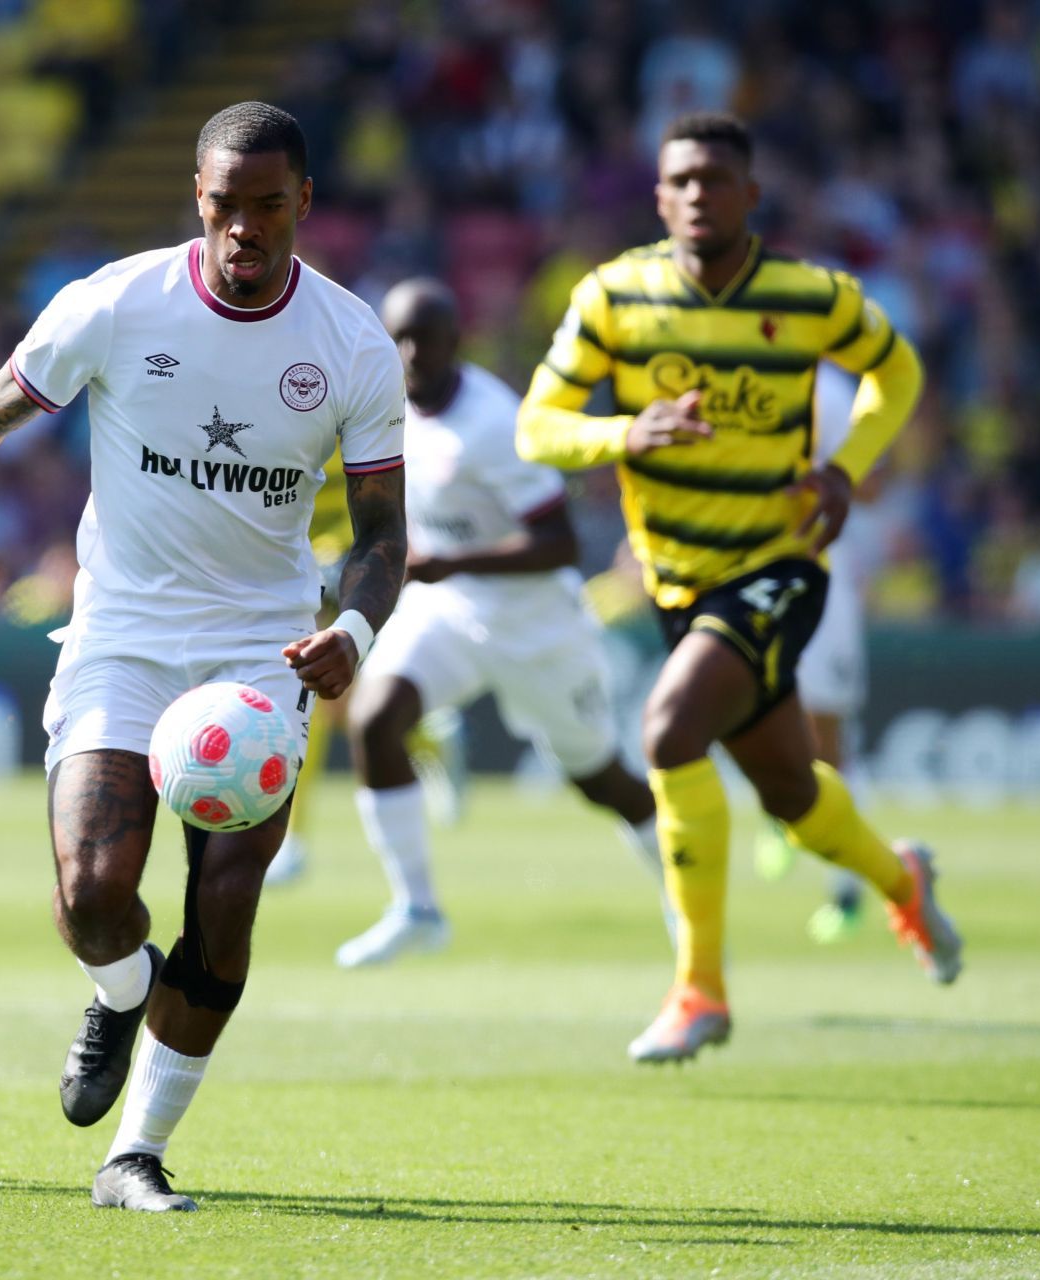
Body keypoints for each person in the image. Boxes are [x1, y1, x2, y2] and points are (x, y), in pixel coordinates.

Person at [0, 102, 406, 1211]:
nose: (244, 229)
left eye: (268, 207)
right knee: (95, 894)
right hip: (124, 636)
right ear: (197, 198)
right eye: (225, 206)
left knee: (225, 906)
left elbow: (384, 535)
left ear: (304, 205)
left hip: (260, 651)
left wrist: (355, 633)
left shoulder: (350, 342)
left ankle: (133, 1154)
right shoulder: (115, 302)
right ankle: (119, 987)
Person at [518, 112, 963, 1065]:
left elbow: (898, 368)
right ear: (657, 196)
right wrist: (622, 434)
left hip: (779, 566)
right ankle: (903, 881)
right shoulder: (614, 297)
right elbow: (538, 426)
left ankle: (698, 991)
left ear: (749, 194)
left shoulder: (811, 297)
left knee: (670, 730)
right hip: (678, 585)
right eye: (679, 180)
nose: (696, 195)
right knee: (793, 796)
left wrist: (846, 468)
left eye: (715, 179)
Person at [336, 277, 671, 969]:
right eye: (396, 339)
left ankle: (684, 894)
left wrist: (448, 563)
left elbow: (561, 545)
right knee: (373, 719)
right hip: (449, 612)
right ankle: (417, 907)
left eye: (422, 339)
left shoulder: (496, 423)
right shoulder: (388, 405)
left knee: (600, 779)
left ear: (455, 342)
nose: (407, 353)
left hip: (536, 626)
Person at [754, 363, 874, 941]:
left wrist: (827, 475)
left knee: (827, 735)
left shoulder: (828, 390)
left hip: (821, 569)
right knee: (742, 705)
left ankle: (846, 887)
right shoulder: (732, 365)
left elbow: (871, 482)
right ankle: (779, 811)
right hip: (749, 572)